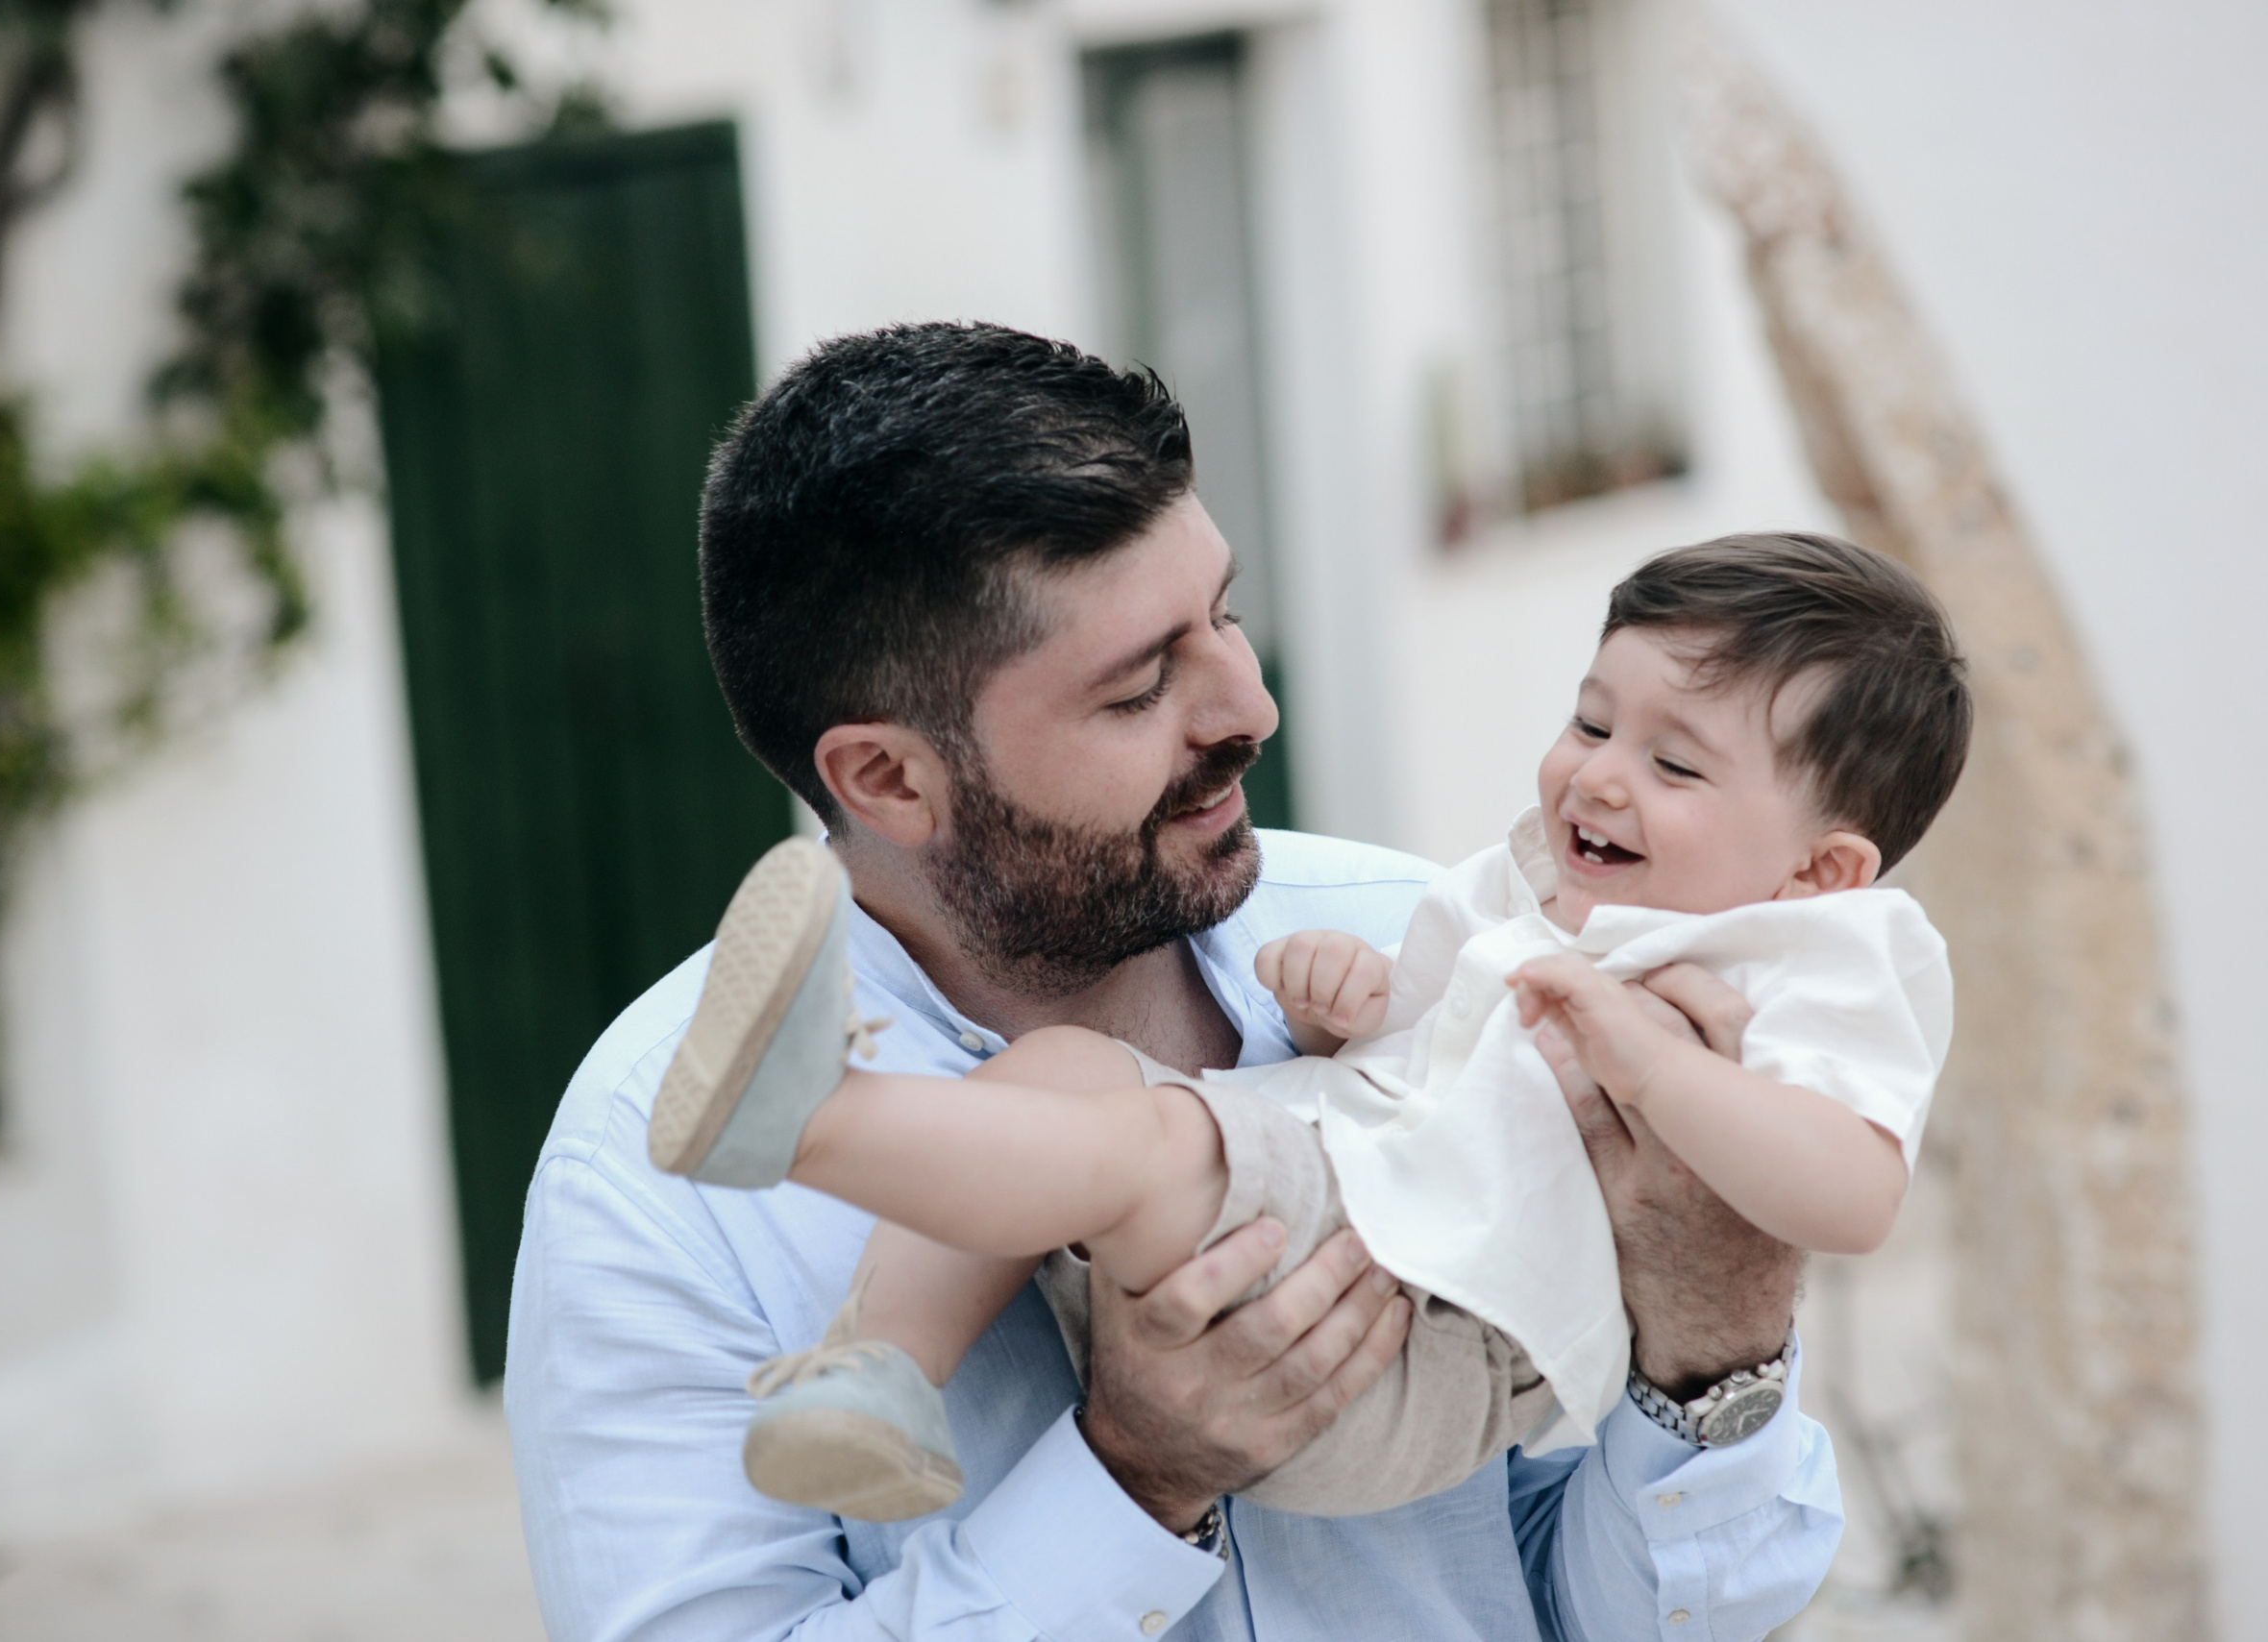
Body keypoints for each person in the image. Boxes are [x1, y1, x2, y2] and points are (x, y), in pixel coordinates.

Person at [504, 322, 1843, 1642]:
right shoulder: (646, 1178)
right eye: (1142, 687)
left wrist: (1715, 1347)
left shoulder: (1412, 941)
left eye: (1224, 615)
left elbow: (1606, 1601)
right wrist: (1130, 1482)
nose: (1249, 706)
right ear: (890, 779)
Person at [647, 531, 1964, 1526]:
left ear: (1822, 871)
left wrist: (1660, 1069)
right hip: (1350, 1197)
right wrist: (1360, 1005)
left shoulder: (1823, 958)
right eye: (1592, 718)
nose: (1600, 773)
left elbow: (1851, 1192)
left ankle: (817, 1117)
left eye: (1677, 765)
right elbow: (1429, 1045)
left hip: (1428, 1332)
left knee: (1158, 1146)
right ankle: (874, 1370)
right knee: (1059, 1073)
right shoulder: (1536, 888)